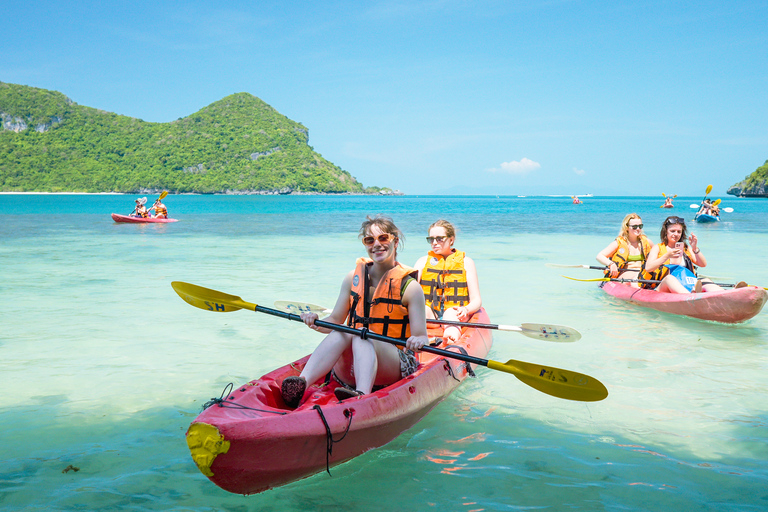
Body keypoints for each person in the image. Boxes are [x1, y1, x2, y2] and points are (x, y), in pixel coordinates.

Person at [280, 215, 429, 409]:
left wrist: (417, 341)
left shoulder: (410, 288)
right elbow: (335, 319)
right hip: (350, 367)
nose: (377, 244)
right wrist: (315, 321)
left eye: (383, 238)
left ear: (395, 241)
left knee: (360, 334)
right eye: (370, 240)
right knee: (344, 330)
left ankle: (362, 396)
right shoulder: (353, 278)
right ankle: (301, 384)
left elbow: (422, 337)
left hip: (394, 365)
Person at [413, 220, 482, 342]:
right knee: (421, 310)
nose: (434, 243)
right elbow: (410, 293)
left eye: (439, 239)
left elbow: (476, 300)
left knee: (450, 313)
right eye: (431, 239)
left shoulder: (467, 262)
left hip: (456, 314)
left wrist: (466, 310)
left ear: (451, 239)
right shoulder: (422, 262)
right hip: (431, 315)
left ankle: (450, 339)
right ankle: (418, 340)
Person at [641, 216, 724, 293]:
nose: (676, 234)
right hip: (663, 286)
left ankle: (725, 294)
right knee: (669, 279)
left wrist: (695, 248)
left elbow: (703, 264)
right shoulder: (658, 248)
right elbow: (648, 268)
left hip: (685, 284)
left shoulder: (686, 248)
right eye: (672, 231)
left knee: (706, 280)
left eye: (679, 232)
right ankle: (690, 297)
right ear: (666, 232)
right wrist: (667, 256)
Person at [595, 213, 653, 287]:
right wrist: (611, 264)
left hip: (642, 275)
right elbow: (599, 256)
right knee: (636, 278)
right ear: (627, 228)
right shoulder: (619, 243)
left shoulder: (647, 242)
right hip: (626, 275)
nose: (638, 229)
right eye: (634, 227)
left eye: (640, 226)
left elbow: (659, 255)